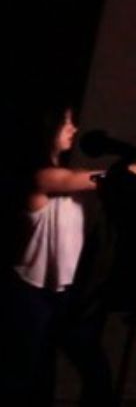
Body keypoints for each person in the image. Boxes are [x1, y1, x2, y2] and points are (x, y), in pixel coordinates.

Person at [1, 104, 114, 407]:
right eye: (67, 123)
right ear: (48, 131)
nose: (74, 129)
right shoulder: (41, 177)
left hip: (65, 294)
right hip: (29, 292)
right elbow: (83, 180)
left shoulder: (64, 174)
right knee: (30, 379)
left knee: (93, 371)